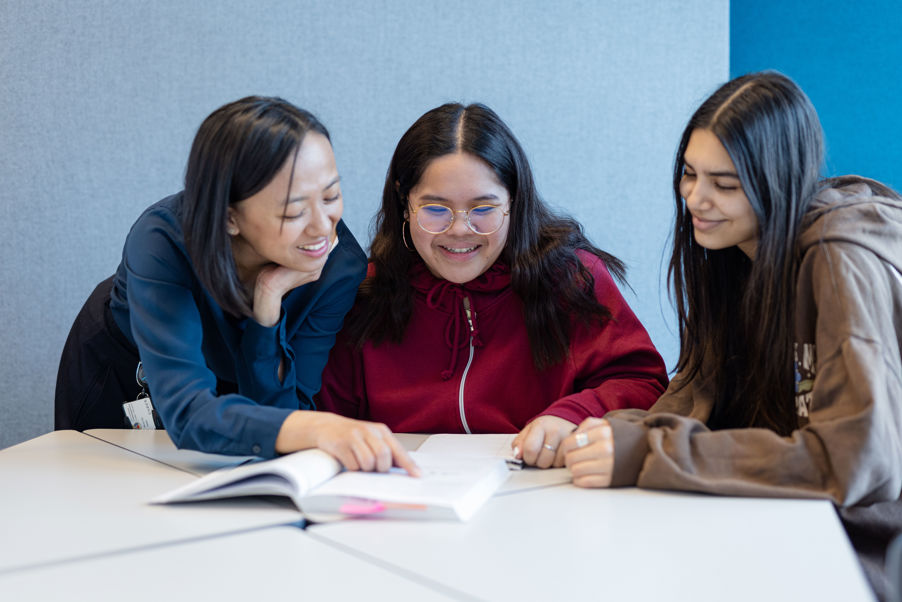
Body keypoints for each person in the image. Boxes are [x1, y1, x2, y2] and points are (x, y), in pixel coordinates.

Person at [560, 71, 902, 599]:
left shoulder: (838, 260)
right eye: (689, 175)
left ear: (778, 180)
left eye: (725, 184)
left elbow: (854, 461)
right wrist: (598, 432)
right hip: (771, 517)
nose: (696, 199)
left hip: (850, 549)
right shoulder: (731, 255)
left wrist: (647, 453)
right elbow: (696, 394)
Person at [55, 96, 417, 475]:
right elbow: (188, 412)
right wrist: (318, 427)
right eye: (294, 211)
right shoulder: (162, 240)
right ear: (230, 217)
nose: (322, 227)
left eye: (331, 196)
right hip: (131, 374)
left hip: (227, 395)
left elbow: (283, 416)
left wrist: (267, 307)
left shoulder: (339, 265)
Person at [316, 102, 668, 468]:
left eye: (483, 210)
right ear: (405, 205)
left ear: (513, 203)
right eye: (435, 210)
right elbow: (325, 416)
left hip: (541, 493)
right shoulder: (364, 292)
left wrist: (572, 415)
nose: (459, 229)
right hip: (404, 495)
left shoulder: (570, 279)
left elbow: (643, 381)